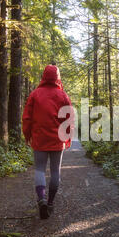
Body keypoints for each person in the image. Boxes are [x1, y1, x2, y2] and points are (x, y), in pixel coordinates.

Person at [22, 64, 73, 219]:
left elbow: (27, 118)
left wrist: (27, 135)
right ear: (57, 77)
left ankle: (41, 199)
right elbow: (69, 120)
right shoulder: (63, 96)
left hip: (39, 139)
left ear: (44, 76)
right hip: (58, 140)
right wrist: (68, 138)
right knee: (55, 171)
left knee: (39, 170)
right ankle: (50, 203)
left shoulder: (35, 94)